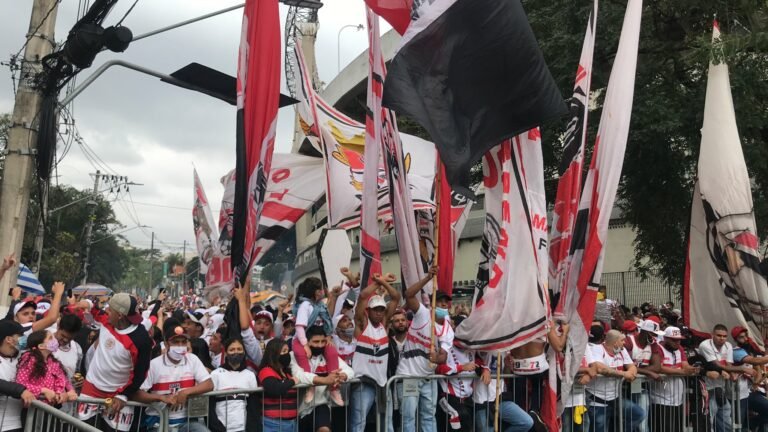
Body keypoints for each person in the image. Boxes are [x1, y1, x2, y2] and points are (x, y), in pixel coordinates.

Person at [78, 293, 152, 432]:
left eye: (110, 310)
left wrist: (123, 395)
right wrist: (84, 302)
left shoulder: (141, 340)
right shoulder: (106, 321)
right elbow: (93, 311)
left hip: (117, 395)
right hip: (91, 389)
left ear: (120, 315)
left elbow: (141, 374)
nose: (107, 312)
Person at [134, 319, 213, 432]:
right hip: (158, 421)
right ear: (166, 344)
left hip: (187, 421)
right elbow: (137, 394)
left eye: (183, 342)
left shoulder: (192, 359)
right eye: (175, 342)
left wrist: (185, 392)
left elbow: (209, 384)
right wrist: (161, 398)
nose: (180, 345)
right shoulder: (154, 364)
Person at [395, 266, 448, 432]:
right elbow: (408, 295)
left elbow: (444, 356)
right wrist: (427, 278)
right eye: (440, 303)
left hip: (429, 379)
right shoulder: (422, 313)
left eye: (446, 304)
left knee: (428, 417)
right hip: (409, 376)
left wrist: (437, 358)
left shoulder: (447, 329)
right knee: (408, 418)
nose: (443, 306)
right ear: (433, 303)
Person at [349, 273, 400, 432]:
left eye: (381, 310)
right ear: (368, 311)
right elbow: (364, 295)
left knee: (388, 425)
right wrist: (379, 281)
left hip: (382, 383)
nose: (379, 313)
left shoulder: (384, 325)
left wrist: (383, 283)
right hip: (363, 383)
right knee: (359, 424)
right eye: (375, 310)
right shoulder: (362, 324)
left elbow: (396, 297)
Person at [290, 325, 355, 432]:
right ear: (306, 342)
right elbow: (299, 375)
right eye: (315, 342)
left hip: (321, 404)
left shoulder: (328, 356)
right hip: (300, 408)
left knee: (324, 429)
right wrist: (324, 380)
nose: (320, 345)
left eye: (323, 341)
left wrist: (343, 375)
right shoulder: (294, 356)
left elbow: (349, 371)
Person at [291, 277, 343, 405]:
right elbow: (299, 326)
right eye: (320, 289)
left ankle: (334, 388)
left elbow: (327, 318)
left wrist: (329, 336)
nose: (323, 291)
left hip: (320, 338)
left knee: (332, 352)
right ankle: (311, 386)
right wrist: (305, 345)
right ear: (315, 292)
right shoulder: (305, 305)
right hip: (302, 339)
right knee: (302, 354)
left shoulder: (319, 305)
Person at [699, 323, 755, 432]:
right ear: (712, 335)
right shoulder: (705, 345)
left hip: (721, 387)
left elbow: (728, 365)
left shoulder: (728, 345)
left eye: (724, 336)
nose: (722, 338)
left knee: (726, 421)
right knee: (709, 421)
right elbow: (716, 365)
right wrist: (741, 369)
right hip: (707, 389)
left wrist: (732, 373)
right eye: (719, 335)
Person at [587, 329, 645, 432]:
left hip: (615, 398)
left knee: (638, 414)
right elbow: (601, 368)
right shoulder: (597, 349)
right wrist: (623, 374)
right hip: (597, 399)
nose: (624, 343)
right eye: (622, 340)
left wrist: (631, 374)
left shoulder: (621, 350)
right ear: (615, 342)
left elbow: (632, 367)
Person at [648, 326, 699, 432]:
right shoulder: (657, 348)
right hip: (660, 399)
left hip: (677, 399)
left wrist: (693, 369)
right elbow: (659, 367)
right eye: (674, 340)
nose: (677, 342)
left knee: (677, 428)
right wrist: (682, 372)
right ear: (666, 338)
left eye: (679, 339)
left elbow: (685, 365)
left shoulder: (679, 349)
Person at [473, 351, 534, 432]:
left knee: (526, 422)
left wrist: (507, 365)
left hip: (500, 398)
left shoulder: (504, 348)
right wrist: (484, 368)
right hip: (482, 400)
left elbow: (505, 373)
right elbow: (477, 355)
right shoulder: (483, 342)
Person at [15, 330, 77, 406]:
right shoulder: (29, 359)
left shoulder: (53, 361)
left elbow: (64, 379)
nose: (54, 340)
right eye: (50, 338)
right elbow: (20, 383)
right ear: (41, 346)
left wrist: (70, 390)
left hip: (50, 408)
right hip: (33, 408)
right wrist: (43, 390)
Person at [209, 337, 259, 432]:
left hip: (243, 428)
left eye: (239, 349)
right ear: (226, 353)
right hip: (222, 428)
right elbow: (210, 407)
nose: (236, 352)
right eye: (232, 350)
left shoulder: (250, 375)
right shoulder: (216, 374)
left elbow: (253, 406)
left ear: (244, 352)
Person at [625, 320, 664, 432]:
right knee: (630, 418)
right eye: (653, 334)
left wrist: (636, 370)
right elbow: (624, 365)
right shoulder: (629, 341)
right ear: (645, 332)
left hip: (641, 386)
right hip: (624, 388)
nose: (655, 337)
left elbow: (657, 367)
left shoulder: (653, 344)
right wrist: (649, 372)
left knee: (643, 422)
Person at [0, 320, 36, 432]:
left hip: (16, 423)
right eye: (20, 335)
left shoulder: (25, 358)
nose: (24, 338)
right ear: (9, 339)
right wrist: (21, 391)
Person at [731, 326, 768, 431]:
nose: (745, 339)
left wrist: (756, 382)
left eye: (746, 336)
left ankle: (752, 423)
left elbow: (758, 370)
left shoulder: (749, 351)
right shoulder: (736, 351)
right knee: (739, 425)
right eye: (741, 337)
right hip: (737, 394)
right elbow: (757, 362)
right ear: (735, 339)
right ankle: (749, 425)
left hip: (749, 392)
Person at [258, 338, 299, 432]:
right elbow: (274, 389)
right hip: (272, 424)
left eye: (288, 351)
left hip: (291, 423)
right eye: (284, 351)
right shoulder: (266, 371)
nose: (287, 354)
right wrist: (292, 382)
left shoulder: (287, 373)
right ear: (274, 354)